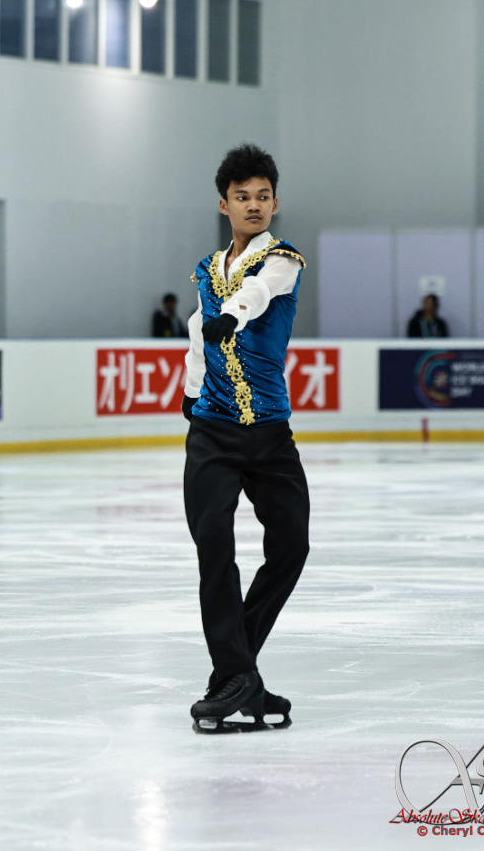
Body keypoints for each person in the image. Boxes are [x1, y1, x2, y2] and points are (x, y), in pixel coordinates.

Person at [182, 143, 310, 733]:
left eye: (263, 196)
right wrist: (191, 392)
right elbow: (196, 330)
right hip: (211, 430)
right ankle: (238, 676)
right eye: (242, 197)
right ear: (224, 205)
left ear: (275, 203)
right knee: (215, 548)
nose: (254, 205)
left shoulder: (284, 260)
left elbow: (260, 293)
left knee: (290, 547)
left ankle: (235, 673)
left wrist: (232, 315)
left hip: (269, 434)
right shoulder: (207, 269)